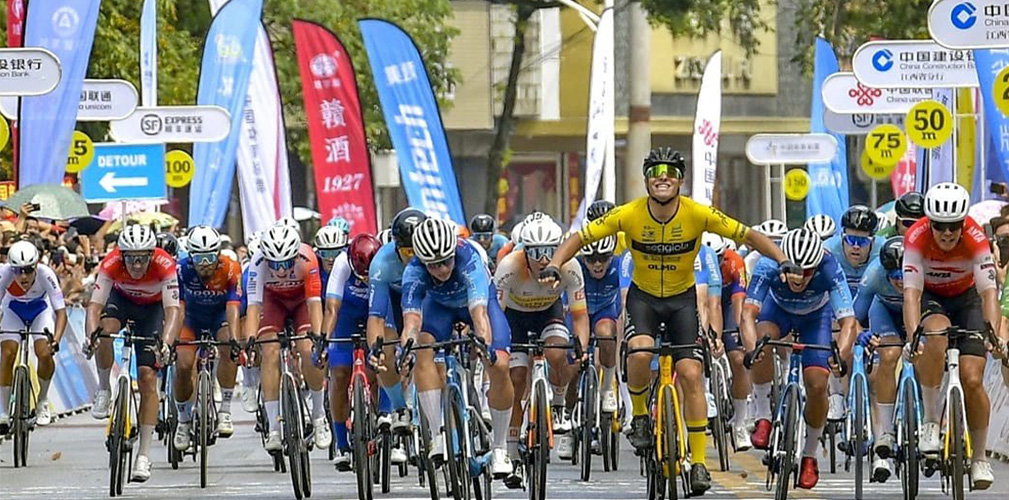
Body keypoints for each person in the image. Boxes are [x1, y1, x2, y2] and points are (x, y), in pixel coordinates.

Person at [539, 147, 792, 494]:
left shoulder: (697, 214)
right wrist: (554, 262)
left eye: (671, 171)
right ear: (646, 179)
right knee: (640, 353)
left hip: (681, 301)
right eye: (656, 170)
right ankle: (641, 416)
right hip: (645, 299)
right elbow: (580, 238)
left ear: (680, 180)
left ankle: (700, 463)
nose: (663, 176)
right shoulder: (629, 214)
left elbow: (747, 235)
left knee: (690, 374)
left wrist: (782, 259)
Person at [903, 182, 1006, 489]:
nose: (947, 234)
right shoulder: (915, 238)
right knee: (934, 334)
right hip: (931, 297)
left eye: (953, 227)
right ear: (928, 223)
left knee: (973, 379)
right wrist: (912, 337)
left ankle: (979, 459)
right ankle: (932, 421)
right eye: (939, 226)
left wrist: (993, 334)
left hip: (968, 298)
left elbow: (989, 294)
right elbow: (911, 295)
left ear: (963, 223)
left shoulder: (976, 239)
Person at [399, 218, 515, 477]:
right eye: (434, 265)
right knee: (422, 350)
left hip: (477, 304)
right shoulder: (414, 272)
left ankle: (499, 448)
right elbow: (412, 320)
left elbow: (480, 314)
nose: (441, 269)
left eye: (446, 261)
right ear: (422, 262)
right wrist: (407, 342)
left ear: (454, 252)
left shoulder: (468, 258)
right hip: (439, 308)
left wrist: (483, 344)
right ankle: (439, 435)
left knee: (500, 365)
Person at [743, 229, 857, 490]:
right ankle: (763, 416)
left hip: (815, 318)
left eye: (807, 272)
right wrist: (751, 350)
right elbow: (748, 314)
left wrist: (839, 354)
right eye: (793, 270)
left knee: (818, 384)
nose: (798, 277)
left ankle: (809, 454)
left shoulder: (829, 267)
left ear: (816, 267)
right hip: (777, 311)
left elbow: (848, 321)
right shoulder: (768, 263)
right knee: (762, 342)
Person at [87, 224, 181, 482]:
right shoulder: (111, 262)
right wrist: (91, 336)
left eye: (142, 258)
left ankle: (144, 455)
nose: (137, 264)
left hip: (153, 311)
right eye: (131, 258)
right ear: (122, 255)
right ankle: (104, 388)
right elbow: (94, 307)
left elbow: (172, 311)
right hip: (122, 301)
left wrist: (166, 343)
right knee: (104, 331)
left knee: (148, 378)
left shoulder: (165, 264)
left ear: (152, 254)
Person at [495, 215, 589, 473]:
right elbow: (496, 315)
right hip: (513, 319)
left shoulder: (570, 267)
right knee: (515, 377)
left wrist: (581, 345)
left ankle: (558, 405)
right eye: (536, 252)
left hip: (549, 313)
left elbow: (580, 315)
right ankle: (511, 449)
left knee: (557, 352)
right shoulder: (509, 267)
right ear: (524, 251)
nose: (544, 259)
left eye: (550, 251)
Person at [245, 225, 330, 451]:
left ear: (294, 256)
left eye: (286, 263)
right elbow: (253, 306)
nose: (281, 270)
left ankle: (319, 415)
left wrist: (319, 339)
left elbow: (314, 304)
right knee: (269, 351)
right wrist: (251, 340)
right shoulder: (258, 263)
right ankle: (273, 427)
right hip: (274, 302)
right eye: (275, 264)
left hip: (302, 301)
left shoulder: (307, 258)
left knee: (307, 348)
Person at [172, 226, 242, 450]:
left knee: (227, 347)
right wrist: (173, 339)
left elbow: (233, 307)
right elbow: (179, 308)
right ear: (190, 255)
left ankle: (225, 411)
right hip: (191, 319)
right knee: (183, 366)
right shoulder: (181, 270)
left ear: (218, 254)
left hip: (219, 316)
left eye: (210, 257)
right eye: (199, 257)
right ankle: (183, 421)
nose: (205, 263)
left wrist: (234, 339)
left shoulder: (230, 268)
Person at [321, 233, 383, 471]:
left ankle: (384, 417)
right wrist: (323, 342)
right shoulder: (341, 262)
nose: (366, 279)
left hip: (373, 313)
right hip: (345, 313)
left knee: (377, 369)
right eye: (362, 275)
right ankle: (341, 443)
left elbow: (385, 309)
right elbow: (332, 309)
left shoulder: (382, 263)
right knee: (339, 374)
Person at [368, 208, 427, 430]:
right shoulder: (382, 263)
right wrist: (375, 349)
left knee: (429, 343)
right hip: (394, 301)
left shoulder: (432, 257)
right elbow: (376, 316)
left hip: (424, 298)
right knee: (386, 351)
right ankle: (400, 407)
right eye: (407, 251)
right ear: (396, 247)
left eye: (417, 251)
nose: (412, 258)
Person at [852, 236, 905, 482]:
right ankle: (885, 432)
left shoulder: (924, 271)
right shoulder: (874, 273)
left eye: (905, 277)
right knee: (890, 354)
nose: (900, 283)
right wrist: (860, 333)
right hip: (885, 312)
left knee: (932, 354)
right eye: (895, 279)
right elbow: (853, 317)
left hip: (920, 308)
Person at [823, 205, 883, 419]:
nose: (855, 248)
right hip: (838, 310)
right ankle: (837, 394)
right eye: (850, 240)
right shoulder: (828, 251)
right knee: (839, 340)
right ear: (841, 238)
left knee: (876, 376)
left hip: (872, 307)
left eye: (862, 242)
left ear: (873, 242)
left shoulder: (883, 252)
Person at [0, 241, 67, 430]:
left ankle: (42, 400)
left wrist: (56, 340)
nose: (23, 276)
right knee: (7, 354)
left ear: (36, 266)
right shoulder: (4, 273)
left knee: (44, 353)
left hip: (40, 312)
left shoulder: (46, 274)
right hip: (13, 310)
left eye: (28, 270)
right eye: (18, 270)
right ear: (11, 268)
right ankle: (4, 412)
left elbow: (61, 312)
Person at [703, 233, 753, 451]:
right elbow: (701, 304)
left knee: (739, 359)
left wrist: (739, 333)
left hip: (729, 301)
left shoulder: (735, 262)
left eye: (720, 258)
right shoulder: (697, 262)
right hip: (704, 300)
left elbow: (738, 301)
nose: (718, 263)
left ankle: (740, 423)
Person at [576, 235, 630, 414]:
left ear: (611, 256)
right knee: (571, 358)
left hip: (604, 311)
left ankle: (607, 388)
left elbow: (627, 298)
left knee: (607, 334)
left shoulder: (618, 265)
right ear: (584, 258)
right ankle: (567, 409)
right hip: (578, 312)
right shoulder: (575, 266)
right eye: (591, 260)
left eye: (603, 258)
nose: (597, 264)